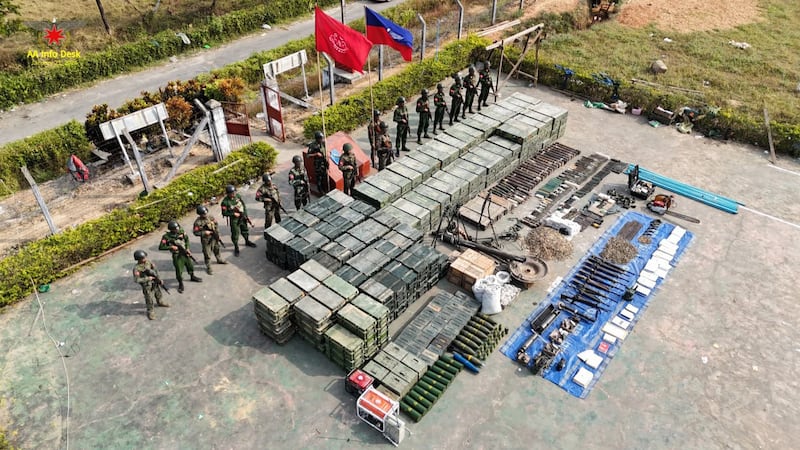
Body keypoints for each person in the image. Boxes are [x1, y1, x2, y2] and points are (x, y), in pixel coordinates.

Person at [159, 221, 202, 293]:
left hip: (185, 252)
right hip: (177, 255)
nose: (177, 229)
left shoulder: (181, 232)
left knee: (190, 265)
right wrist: (171, 247)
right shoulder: (166, 237)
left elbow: (187, 240)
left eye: (178, 227)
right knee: (179, 270)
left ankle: (192, 276)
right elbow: (161, 247)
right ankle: (180, 283)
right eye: (176, 228)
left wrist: (187, 248)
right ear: (172, 229)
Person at [220, 185, 256, 257]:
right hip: (234, 220)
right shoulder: (225, 202)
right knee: (235, 233)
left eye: (234, 192)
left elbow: (243, 205)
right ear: (228, 194)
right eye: (232, 193)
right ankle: (236, 247)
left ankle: (247, 241)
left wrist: (246, 215)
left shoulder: (238, 196)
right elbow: (224, 213)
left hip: (242, 216)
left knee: (245, 229)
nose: (234, 194)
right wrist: (233, 214)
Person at [132, 250, 169, 320]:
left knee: (158, 292)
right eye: (143, 258)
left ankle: (160, 302)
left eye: (145, 257)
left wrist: (159, 279)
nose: (145, 259)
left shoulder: (148, 262)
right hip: (147, 285)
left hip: (155, 282)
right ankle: (150, 311)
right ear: (138, 259)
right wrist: (147, 278)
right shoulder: (136, 268)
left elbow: (155, 271)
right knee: (149, 298)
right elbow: (136, 280)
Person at [192, 205, 227, 275]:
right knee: (207, 253)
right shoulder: (197, 222)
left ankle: (219, 259)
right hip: (206, 240)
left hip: (214, 236)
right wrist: (204, 232)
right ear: (200, 214)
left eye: (205, 213)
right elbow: (195, 232)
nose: (205, 215)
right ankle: (209, 266)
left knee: (217, 248)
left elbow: (216, 225)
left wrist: (218, 234)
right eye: (203, 214)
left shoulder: (210, 217)